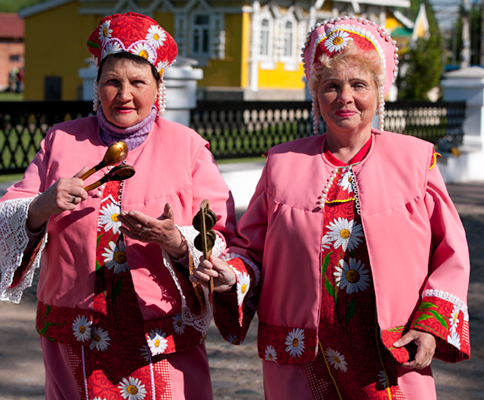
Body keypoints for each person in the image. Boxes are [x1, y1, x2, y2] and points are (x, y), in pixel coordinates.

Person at [192, 16, 471, 399]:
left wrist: (429, 326)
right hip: (303, 354)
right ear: (315, 96)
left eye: (359, 85)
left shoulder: (416, 160)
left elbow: (451, 255)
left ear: (378, 92)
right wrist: (231, 277)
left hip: (388, 350)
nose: (345, 97)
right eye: (331, 87)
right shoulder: (282, 164)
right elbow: (250, 251)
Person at [0, 12, 236, 400]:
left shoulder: (188, 147)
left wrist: (176, 240)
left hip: (160, 333)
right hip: (77, 330)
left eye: (138, 82)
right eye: (112, 82)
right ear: (97, 87)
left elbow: (221, 235)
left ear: (158, 88)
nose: (124, 94)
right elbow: (2, 220)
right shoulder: (61, 141)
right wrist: (43, 205)